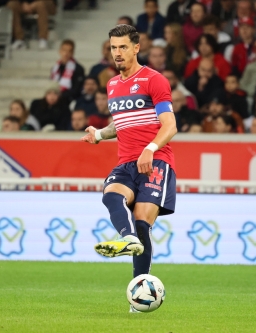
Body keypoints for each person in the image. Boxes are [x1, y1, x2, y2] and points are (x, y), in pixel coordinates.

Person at [80, 25, 177, 310]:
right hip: (126, 162)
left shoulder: (154, 80)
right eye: (113, 48)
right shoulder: (112, 85)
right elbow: (121, 124)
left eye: (123, 47)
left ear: (137, 47)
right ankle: (129, 239)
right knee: (111, 195)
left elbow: (170, 125)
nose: (117, 53)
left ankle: (139, 299)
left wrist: (150, 148)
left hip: (155, 161)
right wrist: (99, 134)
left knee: (143, 223)